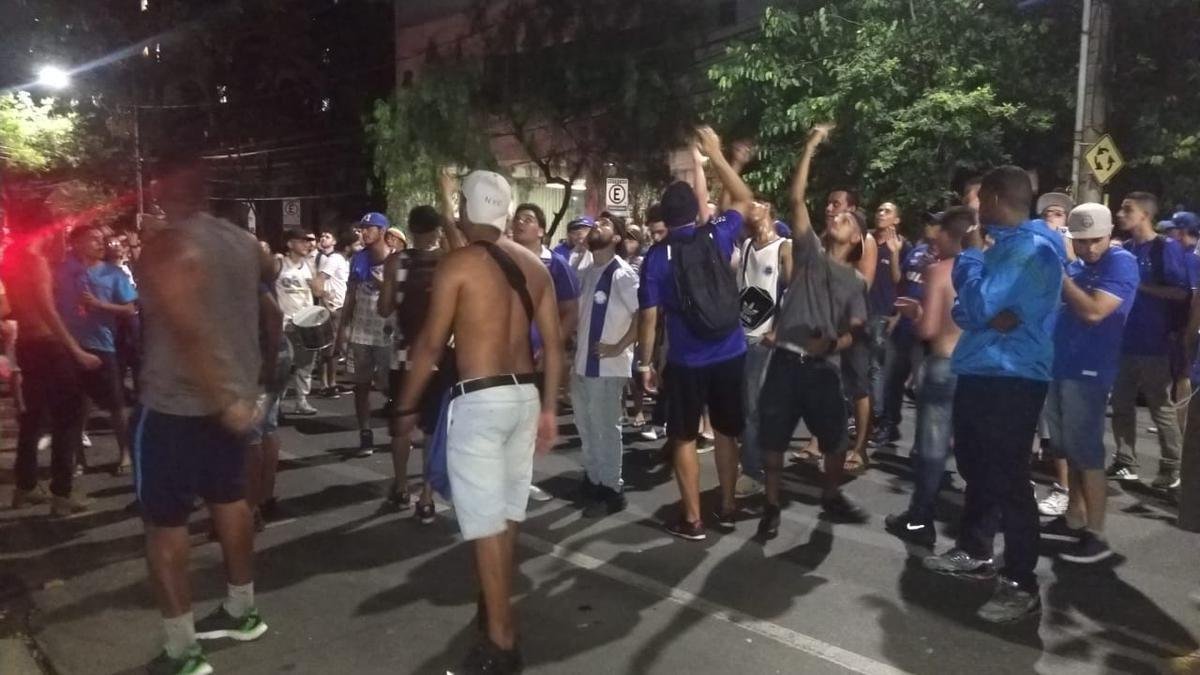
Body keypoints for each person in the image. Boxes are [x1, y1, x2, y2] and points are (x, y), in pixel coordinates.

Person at [394, 170, 563, 674]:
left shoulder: (459, 264)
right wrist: (550, 408)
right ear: (507, 212)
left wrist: (405, 407)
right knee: (507, 515)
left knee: (484, 522)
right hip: (525, 397)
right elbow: (554, 346)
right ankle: (493, 609)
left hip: (481, 399)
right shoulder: (535, 266)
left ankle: (502, 640)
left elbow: (428, 345)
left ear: (467, 212)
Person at [134, 157, 271, 675]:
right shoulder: (240, 241)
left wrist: (224, 398)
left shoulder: (167, 246)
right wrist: (239, 393)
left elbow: (187, 329)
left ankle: (182, 650)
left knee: (164, 526)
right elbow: (272, 276)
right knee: (230, 501)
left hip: (176, 405)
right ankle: (243, 609)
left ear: (162, 187)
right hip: (231, 399)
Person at [922, 165, 1065, 624]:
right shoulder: (1001, 249)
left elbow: (978, 303)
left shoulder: (1033, 249)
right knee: (975, 466)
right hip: (981, 369)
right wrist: (984, 304)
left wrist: (969, 260)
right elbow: (970, 311)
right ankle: (975, 550)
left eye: (981, 199)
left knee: (1008, 477)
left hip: (1014, 376)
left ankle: (1021, 582)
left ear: (1000, 198)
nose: (976, 209)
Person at [755, 123, 869, 540]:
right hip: (785, 361)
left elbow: (856, 331)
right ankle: (771, 505)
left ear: (857, 236)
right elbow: (797, 198)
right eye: (836, 213)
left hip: (823, 370)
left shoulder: (856, 282)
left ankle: (831, 494)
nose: (837, 216)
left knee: (836, 441)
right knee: (773, 441)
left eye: (847, 217)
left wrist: (831, 344)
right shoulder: (810, 253)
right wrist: (810, 145)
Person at [637, 125, 749, 541]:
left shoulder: (656, 258)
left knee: (684, 437)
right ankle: (728, 505)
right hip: (731, 350)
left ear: (665, 218)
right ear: (695, 211)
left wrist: (645, 363)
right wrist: (717, 157)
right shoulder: (715, 236)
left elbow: (649, 317)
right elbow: (742, 198)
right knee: (725, 431)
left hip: (687, 361)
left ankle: (693, 519)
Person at [1040, 203, 1138, 564]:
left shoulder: (1120, 263)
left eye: (1095, 240)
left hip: (1090, 370)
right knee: (1069, 449)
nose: (1089, 248)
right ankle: (1076, 518)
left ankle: (1095, 535)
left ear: (1109, 233)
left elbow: (1095, 311)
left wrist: (1061, 278)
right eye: (1081, 241)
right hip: (1062, 366)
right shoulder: (1081, 266)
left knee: (1087, 452)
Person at [883, 207, 972, 545]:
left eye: (940, 236)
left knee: (931, 450)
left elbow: (930, 328)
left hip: (944, 364)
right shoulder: (987, 269)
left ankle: (920, 519)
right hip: (977, 369)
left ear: (951, 236)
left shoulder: (941, 271)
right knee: (971, 448)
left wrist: (916, 312)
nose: (935, 242)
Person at [3, 224, 102, 514]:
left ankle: (26, 485)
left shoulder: (12, 258)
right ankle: (62, 493)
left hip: (28, 344)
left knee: (32, 417)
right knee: (68, 418)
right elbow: (47, 310)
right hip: (49, 346)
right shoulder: (36, 262)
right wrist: (76, 351)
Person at [379, 197, 463, 521]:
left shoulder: (395, 263)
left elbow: (384, 309)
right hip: (441, 357)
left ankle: (400, 487)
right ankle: (426, 497)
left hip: (404, 354)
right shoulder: (449, 262)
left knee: (401, 425)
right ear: (436, 231)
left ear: (411, 231)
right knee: (432, 427)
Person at [1109, 191, 1188, 489]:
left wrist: (1139, 287)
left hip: (1154, 341)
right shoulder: (1124, 249)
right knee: (1121, 403)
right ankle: (1125, 460)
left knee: (1160, 405)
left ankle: (1172, 466)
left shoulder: (1164, 248)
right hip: (1123, 340)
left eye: (1126, 209)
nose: (1120, 213)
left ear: (1145, 214)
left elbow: (1181, 293)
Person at [56, 224, 139, 475]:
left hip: (102, 344)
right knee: (76, 404)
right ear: (77, 243)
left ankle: (125, 453)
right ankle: (78, 458)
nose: (100, 243)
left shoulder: (113, 274)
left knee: (115, 404)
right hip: (70, 344)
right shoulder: (62, 272)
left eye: (102, 239)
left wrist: (100, 305)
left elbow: (130, 308)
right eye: (93, 239)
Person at [511, 202, 580, 502]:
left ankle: (520, 479)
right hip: (506, 354)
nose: (520, 224)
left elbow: (571, 311)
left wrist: (549, 346)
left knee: (528, 422)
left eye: (528, 219)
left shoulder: (556, 265)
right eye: (517, 219)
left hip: (536, 358)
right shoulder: (503, 258)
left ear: (541, 230)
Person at [572, 214, 639, 517]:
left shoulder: (621, 274)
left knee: (605, 428)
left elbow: (645, 316)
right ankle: (594, 477)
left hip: (607, 367)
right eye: (596, 223)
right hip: (582, 364)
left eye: (606, 225)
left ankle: (612, 488)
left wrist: (618, 347)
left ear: (616, 239)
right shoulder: (586, 271)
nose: (597, 226)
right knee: (585, 425)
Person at [734, 188, 793, 498]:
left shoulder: (784, 247)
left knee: (755, 407)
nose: (748, 208)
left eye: (753, 202)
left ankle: (755, 471)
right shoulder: (745, 246)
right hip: (741, 336)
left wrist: (779, 331)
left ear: (768, 206)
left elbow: (793, 293)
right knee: (746, 406)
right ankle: (752, 463)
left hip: (765, 340)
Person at [338, 212, 395, 457]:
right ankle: (365, 434)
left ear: (383, 231)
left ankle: (398, 430)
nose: (363, 233)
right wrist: (343, 329)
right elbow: (350, 295)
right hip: (361, 333)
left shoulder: (397, 260)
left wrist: (385, 287)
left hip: (387, 335)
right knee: (360, 386)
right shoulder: (358, 259)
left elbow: (404, 299)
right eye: (362, 228)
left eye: (369, 228)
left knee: (390, 386)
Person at [867, 202, 912, 453]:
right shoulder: (868, 240)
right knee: (861, 368)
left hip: (884, 314)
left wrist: (896, 315)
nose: (880, 214)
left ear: (897, 220)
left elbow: (901, 282)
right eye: (879, 210)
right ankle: (864, 417)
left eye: (887, 211)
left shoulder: (903, 246)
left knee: (878, 370)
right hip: (863, 311)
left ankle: (881, 419)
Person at [276, 229, 320, 416]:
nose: (306, 244)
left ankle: (301, 401)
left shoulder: (309, 265)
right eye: (301, 241)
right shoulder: (279, 263)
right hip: (285, 323)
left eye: (308, 241)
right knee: (283, 365)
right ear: (290, 244)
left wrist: (315, 274)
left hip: (306, 323)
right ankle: (276, 403)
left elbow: (318, 292)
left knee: (305, 365)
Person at [314, 230, 352, 398]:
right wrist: (326, 302)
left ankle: (332, 382)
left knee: (336, 349)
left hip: (341, 308)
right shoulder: (334, 259)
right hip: (332, 309)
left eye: (327, 236)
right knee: (327, 348)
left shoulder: (344, 260)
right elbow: (319, 281)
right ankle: (324, 385)